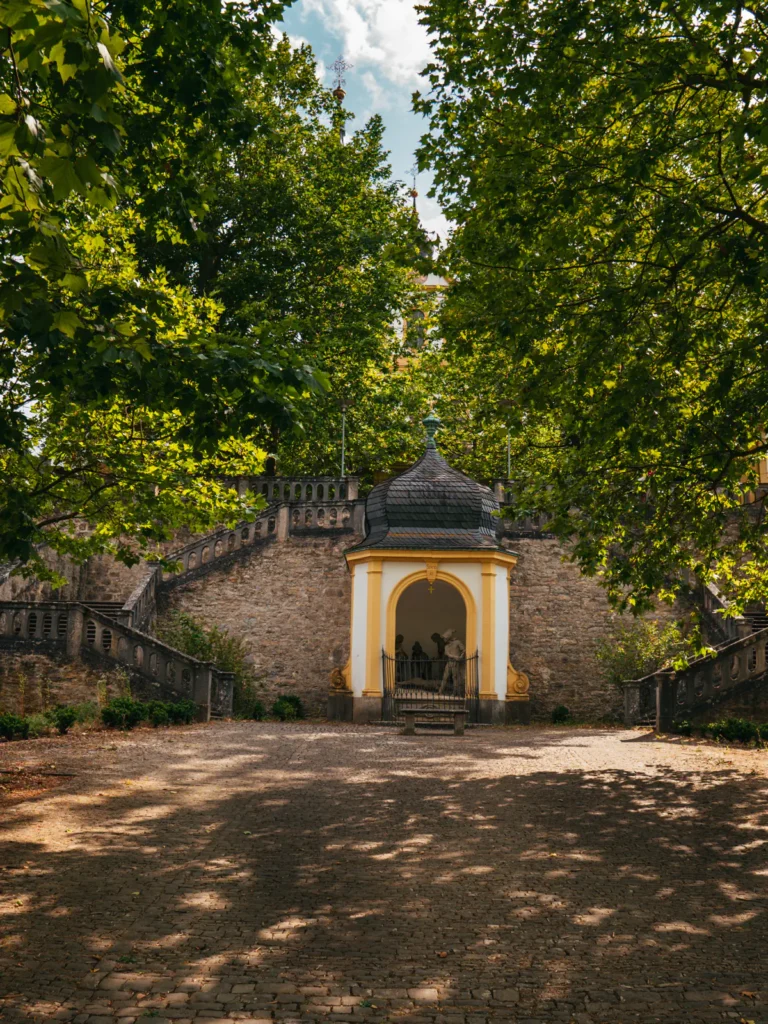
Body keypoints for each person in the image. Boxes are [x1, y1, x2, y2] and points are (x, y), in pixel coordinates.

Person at [439, 629, 466, 695]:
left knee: (455, 677)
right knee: (445, 677)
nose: (444, 640)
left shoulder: (457, 642)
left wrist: (461, 657)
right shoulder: (446, 646)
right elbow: (447, 654)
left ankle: (455, 692)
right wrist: (455, 657)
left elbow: (464, 650)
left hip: (456, 662)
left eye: (445, 638)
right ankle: (440, 691)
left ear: (448, 637)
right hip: (450, 662)